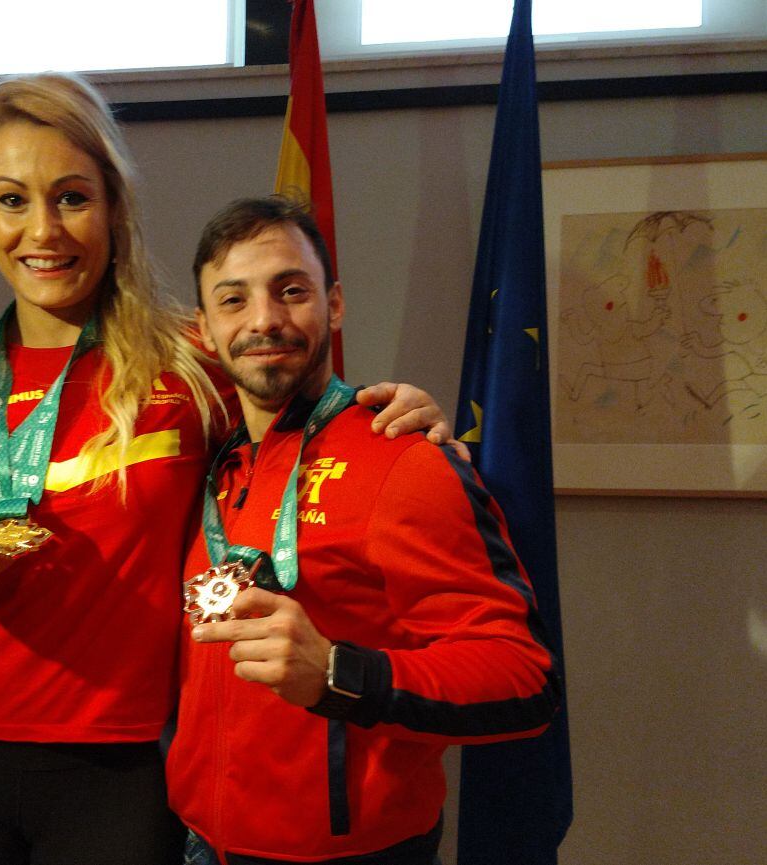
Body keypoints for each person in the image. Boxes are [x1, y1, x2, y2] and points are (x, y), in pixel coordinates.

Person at [0, 73, 456, 865]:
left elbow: (304, 410)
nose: (44, 229)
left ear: (113, 208)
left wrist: (408, 417)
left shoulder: (189, 358)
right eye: (12, 199)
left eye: (71, 197)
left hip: (121, 761)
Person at [166, 196, 562, 865]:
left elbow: (524, 679)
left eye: (292, 291)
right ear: (205, 330)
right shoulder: (211, 462)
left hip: (353, 853)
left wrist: (341, 673)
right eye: (234, 300)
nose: (264, 319)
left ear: (335, 304)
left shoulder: (402, 459)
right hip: (201, 842)